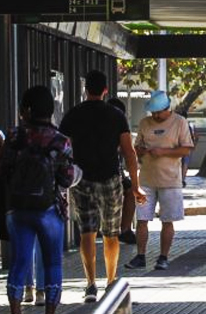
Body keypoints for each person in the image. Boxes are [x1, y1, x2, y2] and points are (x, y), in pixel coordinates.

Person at [59, 71, 145, 303]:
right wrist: (135, 187)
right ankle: (110, 281)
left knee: (87, 233)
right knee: (111, 234)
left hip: (82, 180)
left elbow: (63, 150)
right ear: (106, 90)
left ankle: (89, 285)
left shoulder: (73, 115)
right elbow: (129, 152)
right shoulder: (116, 115)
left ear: (86, 90)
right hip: (110, 180)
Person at [2, 85, 80, 314]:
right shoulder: (60, 140)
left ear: (26, 110)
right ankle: (50, 311)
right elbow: (66, 179)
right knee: (53, 263)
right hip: (49, 209)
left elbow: (4, 170)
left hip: (18, 210)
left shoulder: (14, 136)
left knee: (19, 262)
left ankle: (15, 310)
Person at [124, 90, 194, 271]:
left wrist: (163, 152)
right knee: (141, 219)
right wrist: (140, 150)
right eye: (152, 112)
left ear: (167, 108)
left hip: (170, 180)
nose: (155, 115)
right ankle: (140, 256)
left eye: (158, 112)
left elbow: (186, 149)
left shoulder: (180, 122)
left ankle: (163, 257)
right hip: (146, 178)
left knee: (167, 220)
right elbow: (136, 146)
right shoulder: (144, 123)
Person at [107, 98, 137, 245]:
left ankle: (125, 229)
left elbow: (128, 153)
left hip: (116, 172)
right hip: (102, 174)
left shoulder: (121, 128)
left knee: (130, 190)